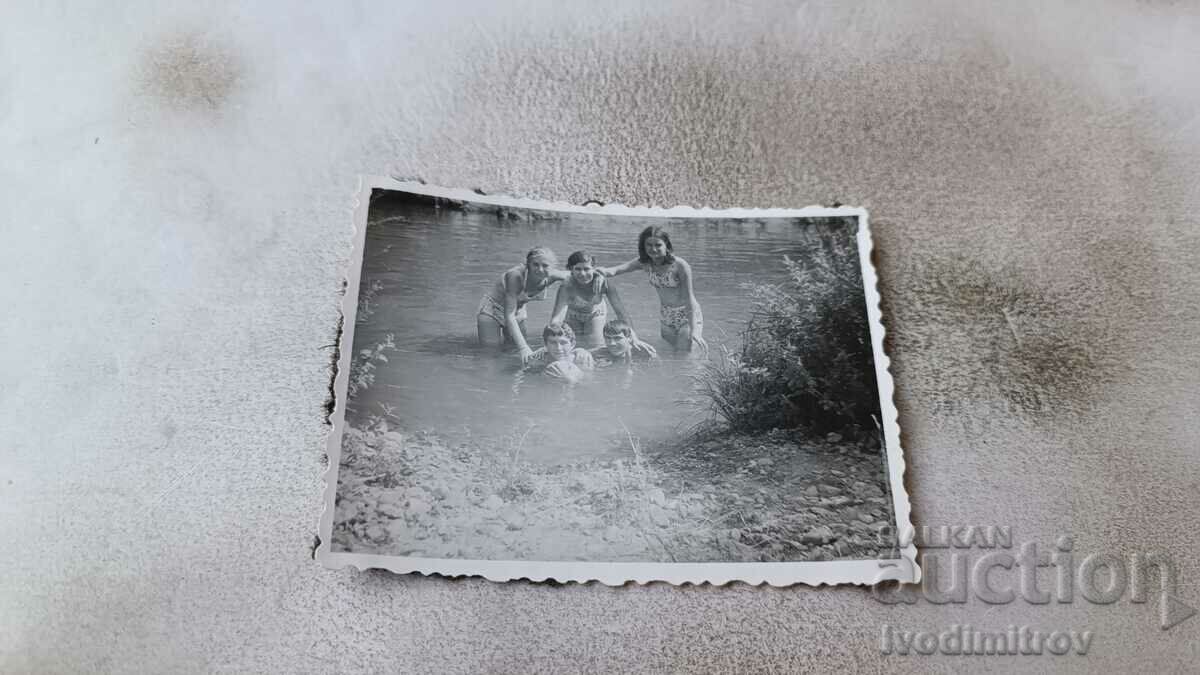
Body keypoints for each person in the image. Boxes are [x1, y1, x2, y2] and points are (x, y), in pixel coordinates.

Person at [599, 226, 708, 355]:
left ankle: (697, 369)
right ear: (643, 247)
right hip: (666, 314)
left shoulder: (680, 265)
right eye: (649, 245)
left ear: (666, 245)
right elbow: (615, 270)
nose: (653, 249)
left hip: (687, 314)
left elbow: (688, 298)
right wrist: (596, 272)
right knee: (670, 354)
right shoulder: (645, 263)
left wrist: (695, 330)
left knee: (684, 353)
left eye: (658, 245)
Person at [477, 247, 569, 365]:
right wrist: (523, 347)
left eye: (545, 266)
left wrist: (600, 274)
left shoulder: (554, 275)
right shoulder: (515, 276)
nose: (540, 269)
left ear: (552, 267)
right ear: (528, 264)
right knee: (490, 353)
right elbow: (509, 315)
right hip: (492, 311)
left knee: (513, 352)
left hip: (518, 312)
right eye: (535, 264)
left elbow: (580, 274)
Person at [549, 250, 651, 350]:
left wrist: (634, 338)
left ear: (594, 268)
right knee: (573, 346)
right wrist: (550, 339)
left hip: (595, 313)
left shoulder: (604, 284)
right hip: (572, 315)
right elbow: (557, 318)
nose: (583, 274)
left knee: (596, 346)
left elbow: (621, 313)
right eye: (578, 269)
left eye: (586, 269)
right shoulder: (567, 286)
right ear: (571, 269)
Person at [524, 323, 595, 384]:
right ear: (545, 344)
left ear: (572, 344)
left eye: (563, 343)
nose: (558, 348)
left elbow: (588, 382)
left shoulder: (581, 358)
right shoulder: (539, 361)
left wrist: (571, 379)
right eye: (553, 342)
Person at [591, 319, 658, 366]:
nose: (612, 343)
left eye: (617, 338)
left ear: (629, 338)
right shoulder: (596, 355)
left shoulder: (645, 355)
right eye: (608, 338)